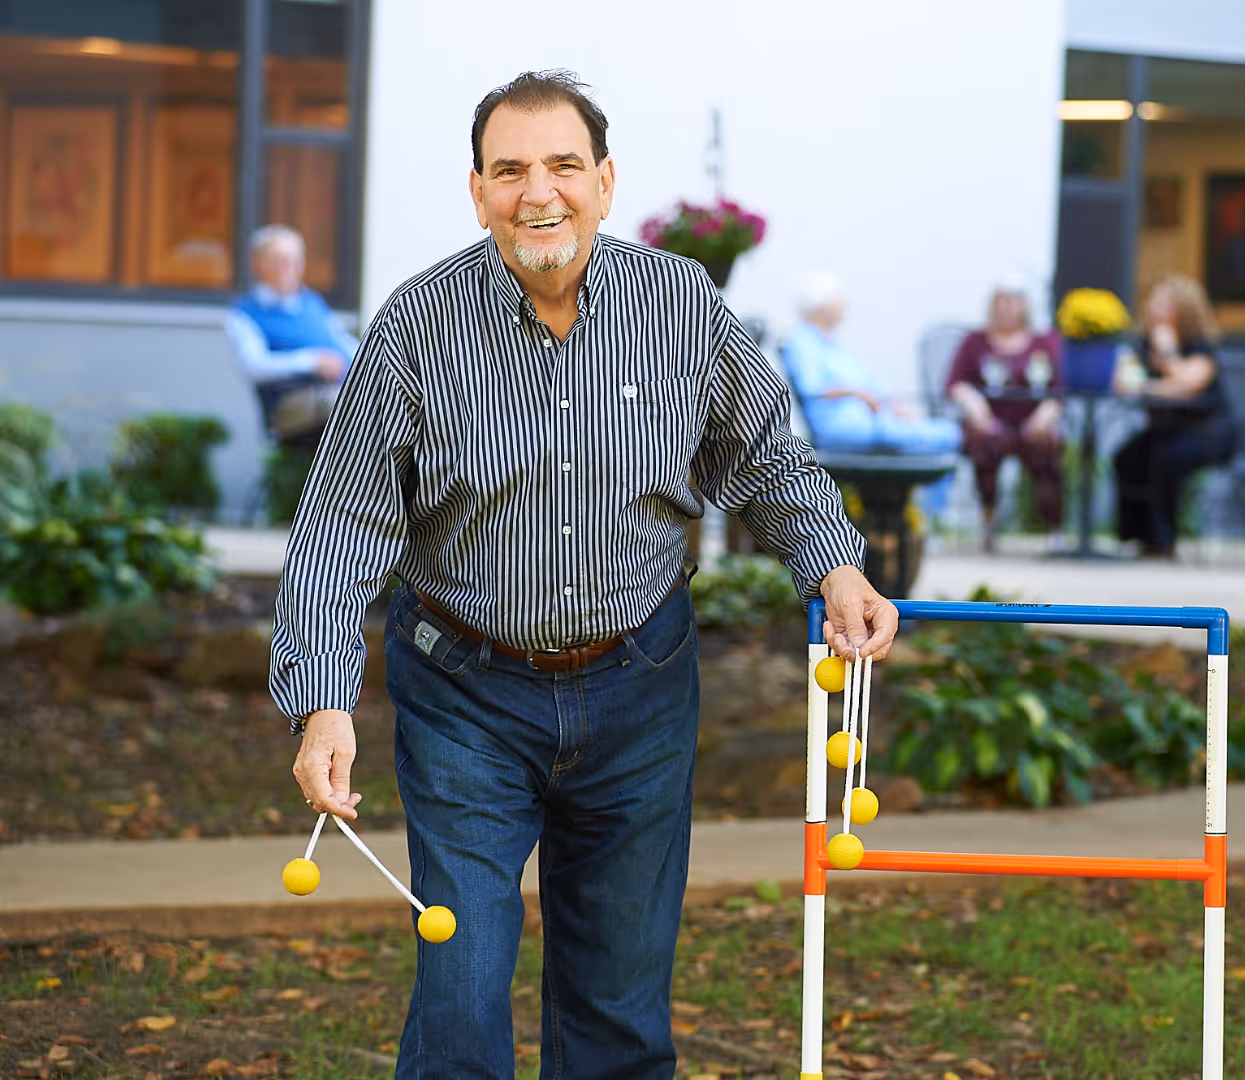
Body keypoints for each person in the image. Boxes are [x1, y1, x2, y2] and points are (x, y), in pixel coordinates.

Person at [270, 70, 898, 1080]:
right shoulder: (414, 329)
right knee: (463, 988)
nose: (539, 192)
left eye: (563, 165)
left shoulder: (682, 303)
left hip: (639, 686)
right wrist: (321, 704)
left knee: (616, 1005)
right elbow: (343, 528)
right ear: (478, 192)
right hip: (465, 693)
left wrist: (834, 568)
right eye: (511, 170)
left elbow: (768, 456)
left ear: (605, 182)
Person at [1111, 275, 1235, 558]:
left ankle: (1164, 540)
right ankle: (1139, 538)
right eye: (1153, 301)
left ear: (1185, 309)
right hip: (1166, 431)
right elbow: (1123, 383)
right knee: (1128, 457)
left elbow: (1190, 383)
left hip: (1209, 431)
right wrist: (1156, 382)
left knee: (1166, 457)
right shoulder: (1142, 345)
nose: (1154, 308)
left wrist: (1168, 350)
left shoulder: (1199, 346)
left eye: (1164, 303)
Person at [781, 271, 962, 455]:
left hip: (871, 421)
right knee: (947, 436)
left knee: (946, 434)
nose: (844, 306)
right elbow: (812, 388)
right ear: (821, 305)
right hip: (843, 429)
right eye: (839, 300)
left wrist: (894, 403)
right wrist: (858, 393)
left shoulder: (832, 346)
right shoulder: (800, 341)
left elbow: (872, 383)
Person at [944, 278, 1064, 550]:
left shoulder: (1044, 342)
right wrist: (973, 403)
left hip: (1032, 423)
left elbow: (1059, 390)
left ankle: (1053, 526)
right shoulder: (975, 341)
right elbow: (955, 383)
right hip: (990, 424)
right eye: (1002, 301)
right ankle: (988, 520)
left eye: (1014, 301)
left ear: (1025, 306)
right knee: (984, 443)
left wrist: (1046, 414)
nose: (1008, 308)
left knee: (1047, 446)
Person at [227, 225, 358, 446]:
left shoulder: (313, 302)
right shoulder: (245, 313)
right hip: (291, 404)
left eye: (294, 260)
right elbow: (254, 365)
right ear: (256, 263)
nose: (287, 267)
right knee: (348, 404)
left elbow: (345, 343)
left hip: (340, 387)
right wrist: (311, 361)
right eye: (278, 259)